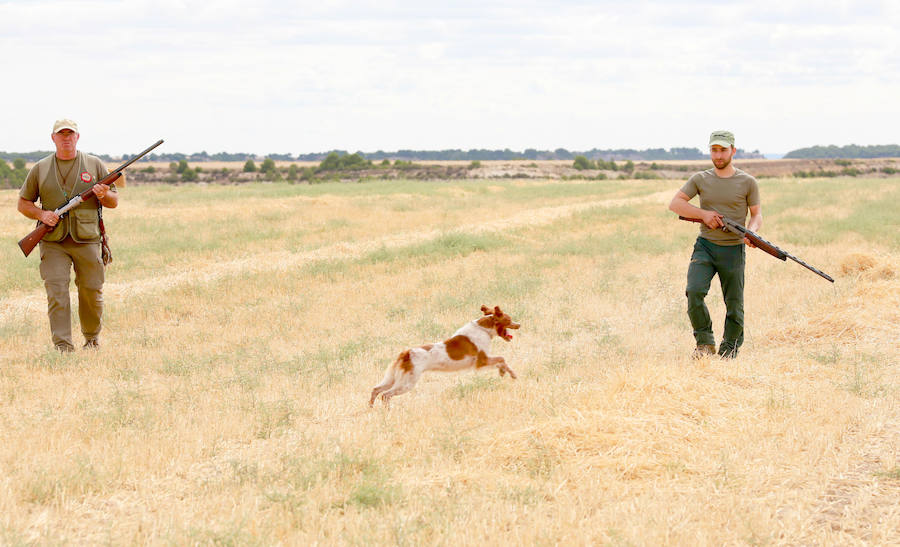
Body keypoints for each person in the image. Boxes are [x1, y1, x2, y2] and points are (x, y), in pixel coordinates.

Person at [17, 119, 120, 352]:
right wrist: (42, 214)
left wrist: (104, 195)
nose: (66, 138)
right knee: (57, 293)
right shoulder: (40, 168)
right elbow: (23, 204)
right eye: (61, 134)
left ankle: (92, 339)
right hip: (53, 241)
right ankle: (63, 346)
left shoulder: (94, 164)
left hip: (88, 239)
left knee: (92, 291)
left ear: (77, 137)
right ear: (53, 138)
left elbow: (114, 201)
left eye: (70, 134)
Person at [668, 130, 761, 359]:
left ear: (733, 151)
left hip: (733, 249)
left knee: (734, 304)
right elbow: (675, 204)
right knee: (694, 291)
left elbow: (756, 215)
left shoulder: (748, 182)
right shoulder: (700, 179)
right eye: (714, 150)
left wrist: (753, 232)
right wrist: (703, 215)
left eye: (723, 150)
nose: (718, 156)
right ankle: (705, 344)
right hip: (706, 246)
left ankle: (729, 351)